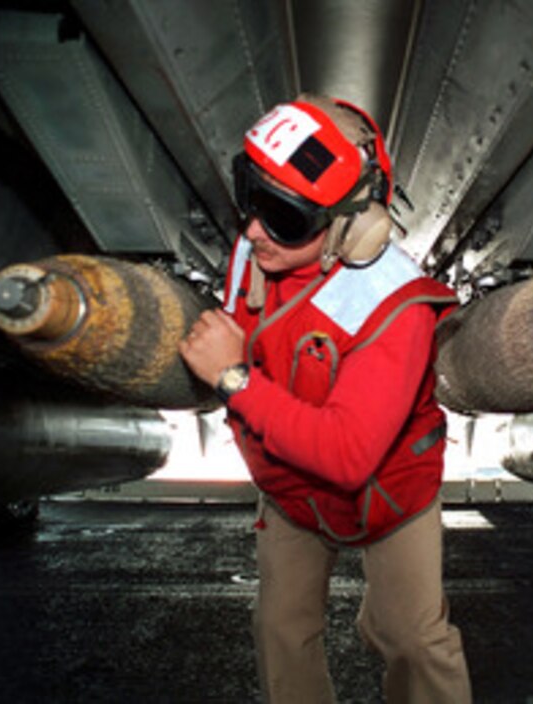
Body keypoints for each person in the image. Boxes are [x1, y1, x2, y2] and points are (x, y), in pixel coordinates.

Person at [178, 94, 472, 703]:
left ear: (350, 226)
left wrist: (233, 379)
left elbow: (346, 455)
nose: (252, 230)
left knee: (413, 641)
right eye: (248, 197)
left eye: (281, 215)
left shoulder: (397, 306)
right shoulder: (256, 250)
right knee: (280, 631)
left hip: (389, 494)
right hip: (289, 487)